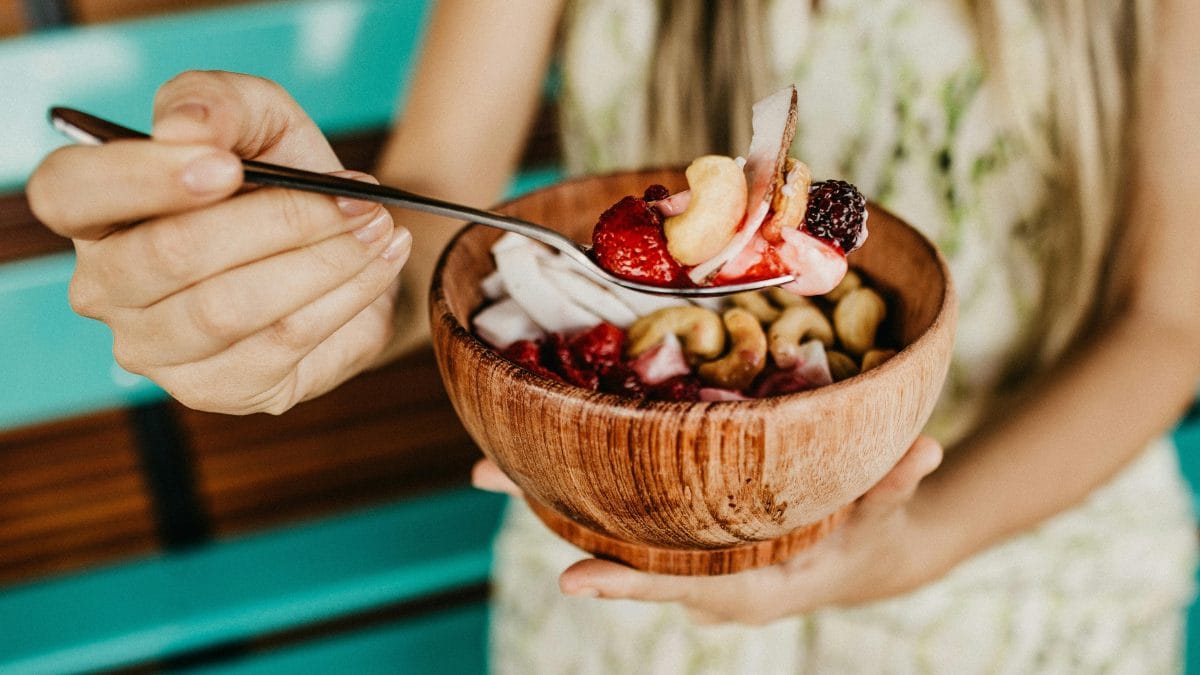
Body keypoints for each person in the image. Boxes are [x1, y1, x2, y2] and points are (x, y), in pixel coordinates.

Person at [26, 0, 1200, 671]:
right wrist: (316, 277)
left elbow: (1171, 321)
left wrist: (905, 546)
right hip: (628, 542)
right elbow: (438, 219)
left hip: (1017, 553)